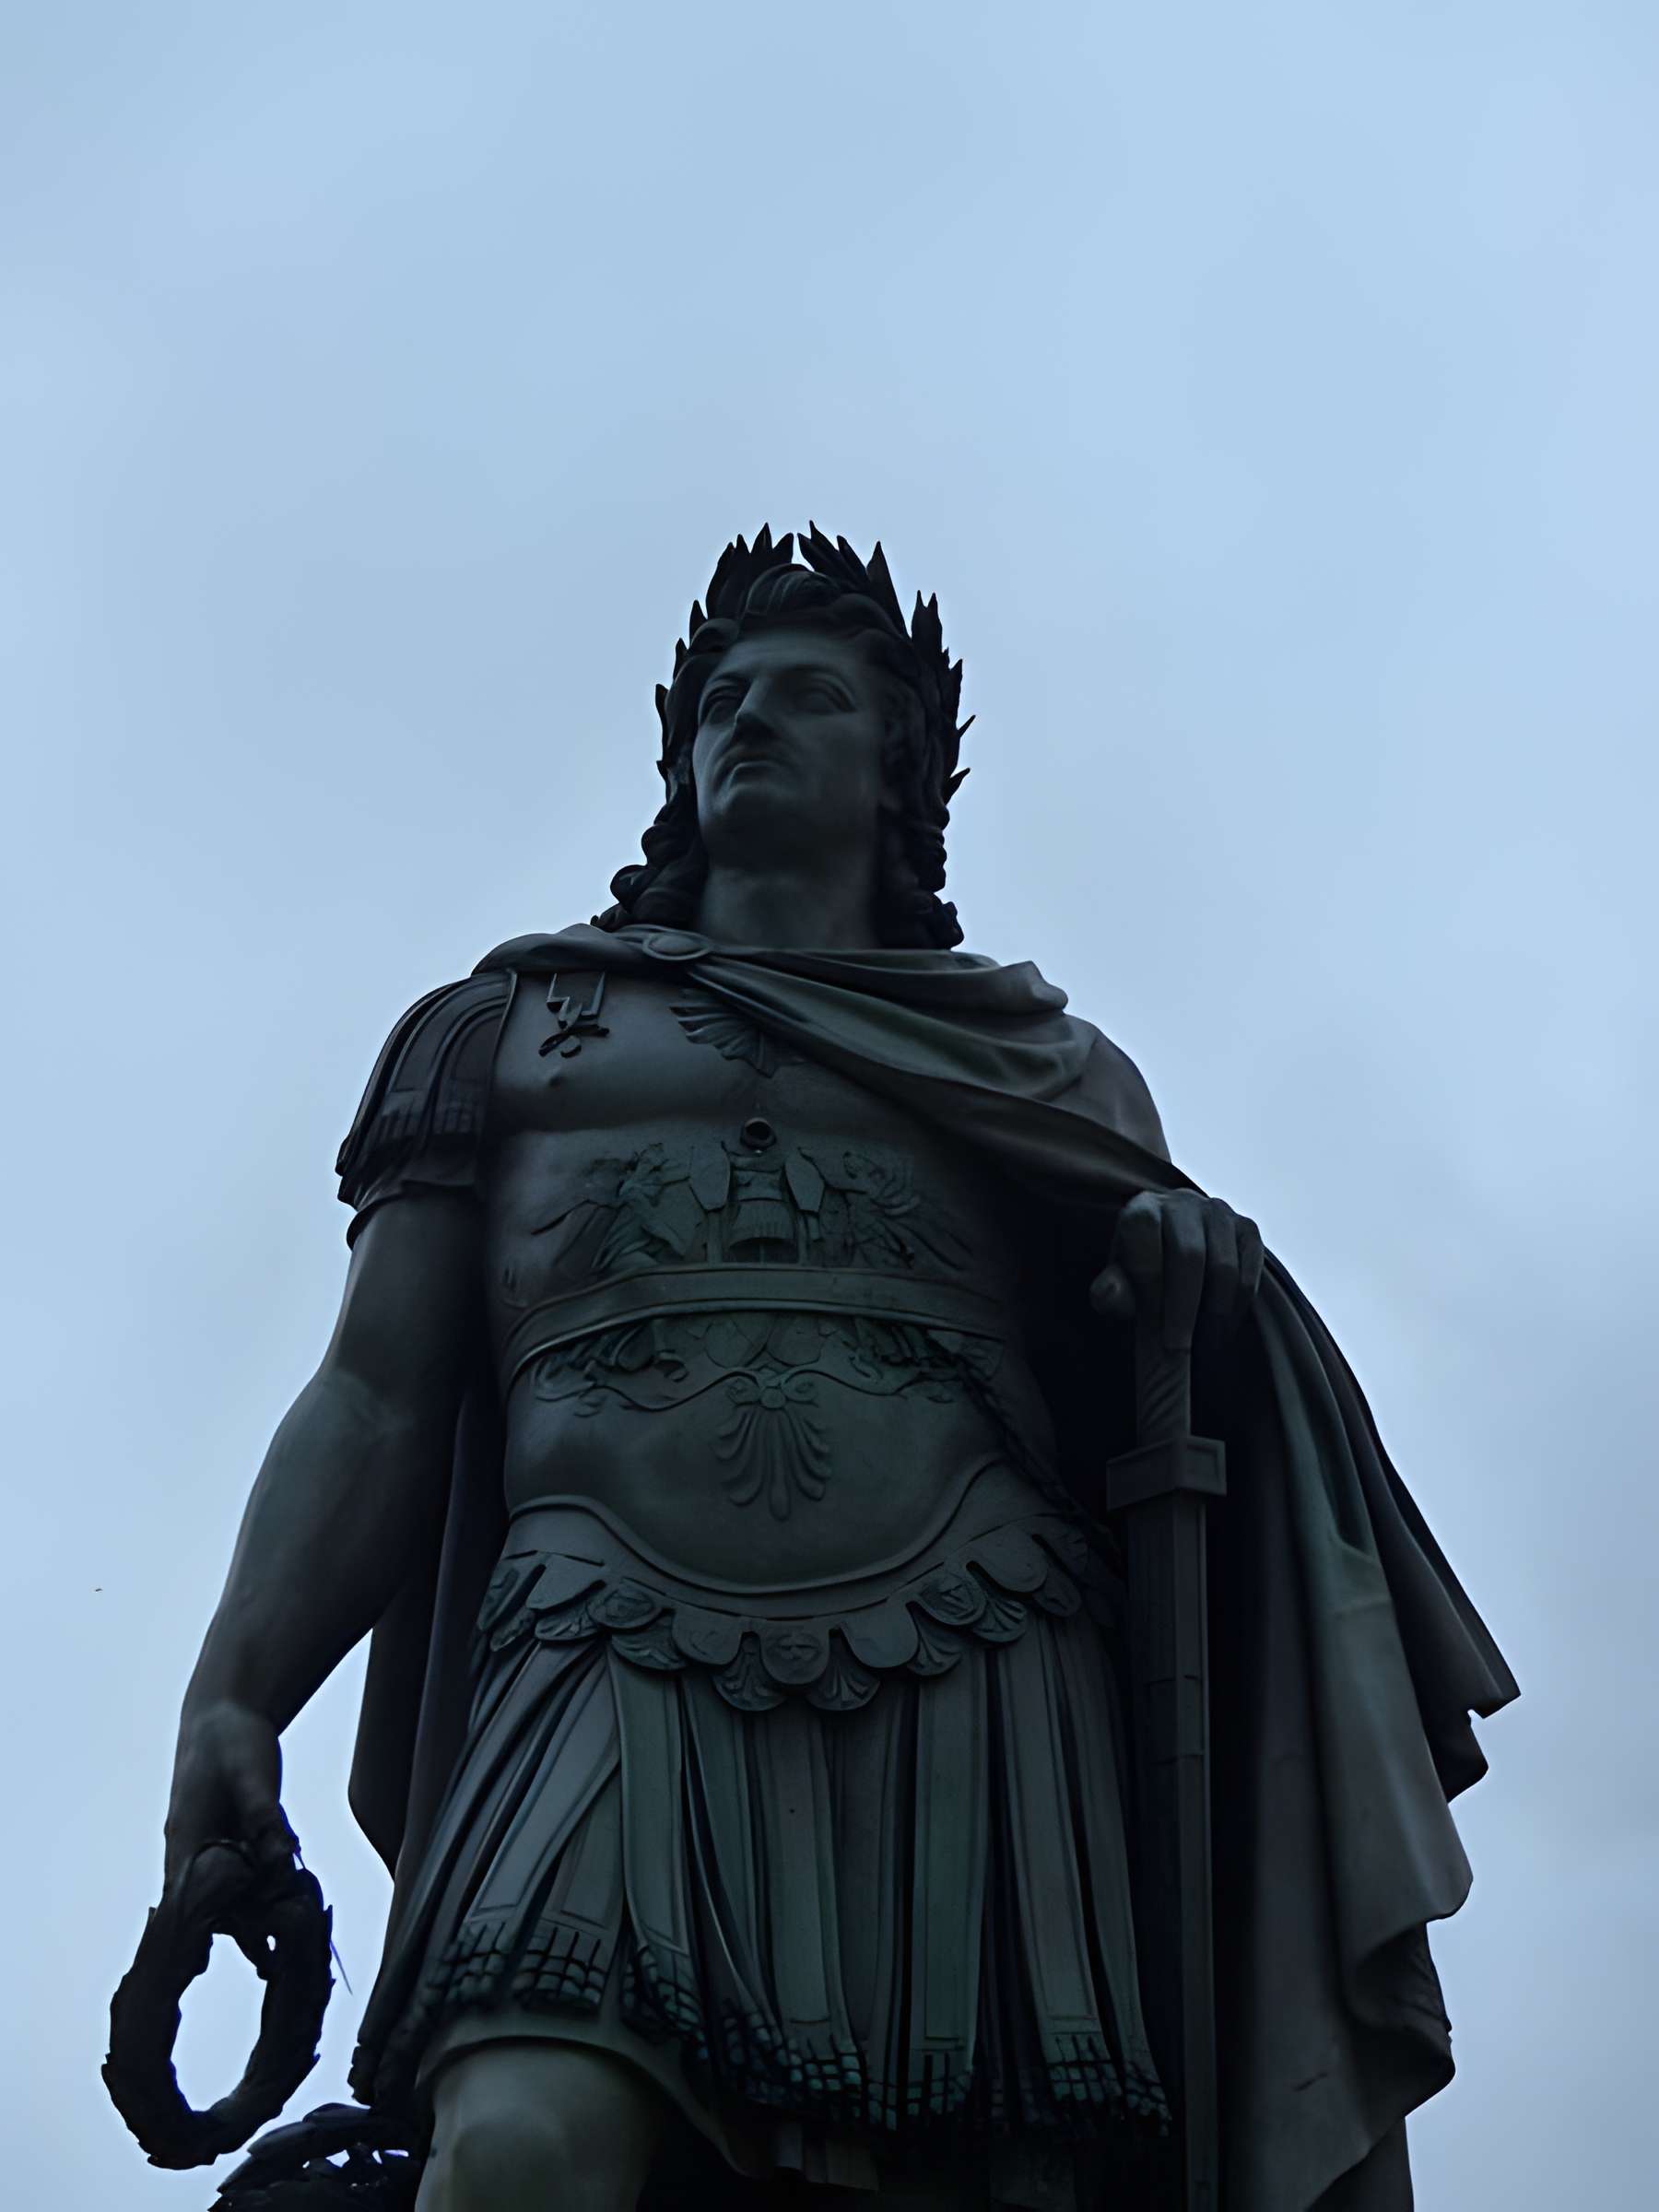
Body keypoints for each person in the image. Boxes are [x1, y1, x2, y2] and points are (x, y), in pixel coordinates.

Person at [164, 529, 1514, 2212]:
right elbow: (374, 1392)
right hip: (598, 1641)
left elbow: (1148, 1387)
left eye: (808, 699)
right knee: (516, 2149)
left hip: (979, 1650)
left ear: (901, 771)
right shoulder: (503, 1032)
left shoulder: (1044, 1070)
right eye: (722, 701)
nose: (751, 724)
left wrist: (1195, 1288)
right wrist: (238, 1689)